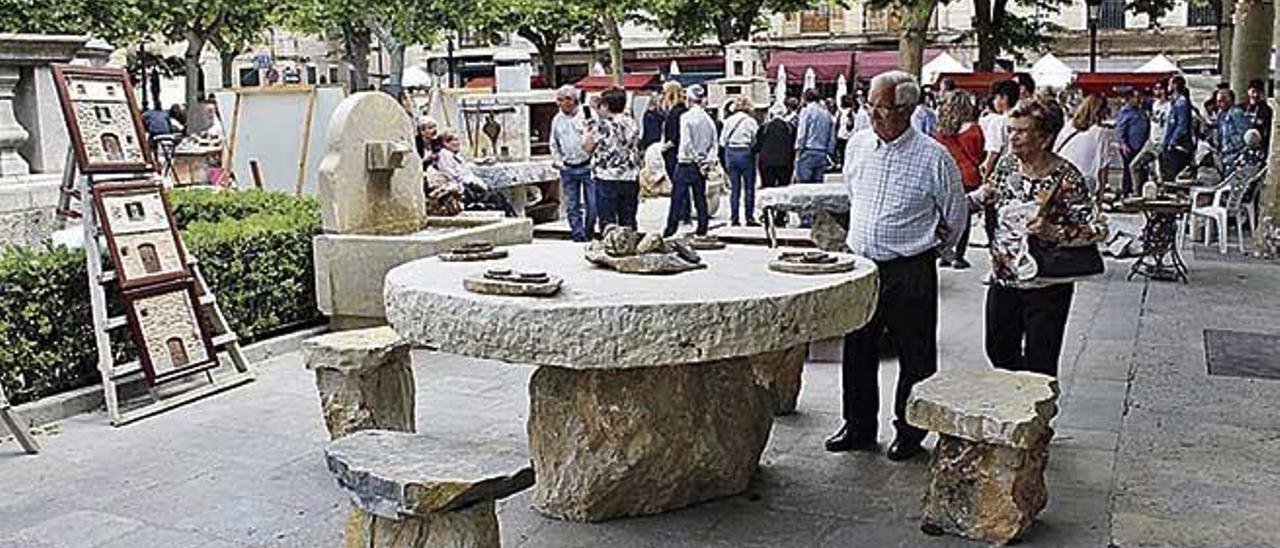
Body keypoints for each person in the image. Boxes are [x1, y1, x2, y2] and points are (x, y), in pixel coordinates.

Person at [826, 71, 967, 461]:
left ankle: (910, 431)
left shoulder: (933, 156)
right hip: (862, 265)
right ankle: (857, 426)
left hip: (910, 268)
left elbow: (955, 215)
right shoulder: (857, 146)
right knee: (857, 349)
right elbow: (853, 196)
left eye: (882, 108)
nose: (873, 114)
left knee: (915, 353)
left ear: (907, 110)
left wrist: (933, 251)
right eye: (870, 106)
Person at [968, 100, 1107, 376]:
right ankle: (1019, 402)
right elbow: (986, 195)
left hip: (1047, 284)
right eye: (1011, 130)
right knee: (998, 352)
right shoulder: (1007, 166)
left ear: (1044, 138)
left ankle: (1037, 413)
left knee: (1041, 362)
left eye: (1021, 131)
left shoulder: (1066, 176)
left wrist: (1054, 232)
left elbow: (1097, 228)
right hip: (1005, 278)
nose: (1013, 137)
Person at [935, 91, 985, 270]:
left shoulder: (941, 130)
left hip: (946, 176)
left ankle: (944, 253)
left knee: (944, 215)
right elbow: (978, 155)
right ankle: (959, 256)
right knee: (964, 218)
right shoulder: (973, 129)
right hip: (968, 175)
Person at [583, 87, 641, 229]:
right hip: (629, 175)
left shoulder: (601, 126)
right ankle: (628, 244)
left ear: (606, 105)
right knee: (628, 218)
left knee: (608, 220)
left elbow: (587, 147)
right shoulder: (632, 123)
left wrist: (587, 129)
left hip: (607, 176)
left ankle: (611, 245)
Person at [664, 84, 717, 237]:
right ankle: (702, 227)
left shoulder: (686, 118)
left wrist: (696, 159)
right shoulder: (708, 119)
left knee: (677, 197)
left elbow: (686, 143)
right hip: (702, 163)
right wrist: (707, 161)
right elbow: (714, 143)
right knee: (700, 196)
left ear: (689, 99)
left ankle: (670, 228)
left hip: (687, 162)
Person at [551, 85, 595, 242]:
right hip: (568, 167)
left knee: (593, 204)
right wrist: (558, 161)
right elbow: (554, 143)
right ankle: (578, 233)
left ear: (573, 100)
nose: (561, 104)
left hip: (588, 165)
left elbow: (597, 137)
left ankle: (589, 231)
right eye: (559, 100)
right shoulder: (557, 120)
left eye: (564, 100)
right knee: (571, 204)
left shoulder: (587, 115)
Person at [1054, 94, 1113, 193]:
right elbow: (1103, 167)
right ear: (1099, 111)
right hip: (1081, 183)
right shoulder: (1100, 133)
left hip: (1060, 179)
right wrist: (1101, 193)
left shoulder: (1068, 126)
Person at [720, 95, 760, 227]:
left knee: (735, 188)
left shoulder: (728, 120)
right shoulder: (751, 121)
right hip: (746, 153)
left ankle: (734, 217)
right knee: (749, 187)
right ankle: (749, 217)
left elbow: (722, 140)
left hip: (731, 153)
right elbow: (755, 139)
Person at [757, 103, 797, 227]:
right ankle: (781, 216)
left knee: (768, 189)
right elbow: (793, 146)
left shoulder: (764, 127)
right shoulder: (790, 128)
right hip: (785, 163)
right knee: (783, 190)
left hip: (767, 163)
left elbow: (757, 146)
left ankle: (768, 215)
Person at [660, 82, 692, 225]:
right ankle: (684, 212)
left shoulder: (675, 112)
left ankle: (682, 213)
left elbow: (675, 136)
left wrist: (664, 148)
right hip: (677, 151)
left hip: (673, 152)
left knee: (679, 185)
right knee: (682, 185)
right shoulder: (682, 110)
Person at [1131, 80, 1170, 188]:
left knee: (1162, 174)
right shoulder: (1154, 104)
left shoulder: (1170, 106)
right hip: (1152, 141)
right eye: (1155, 89)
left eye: (1159, 88)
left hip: (1162, 142)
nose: (1157, 91)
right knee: (1134, 165)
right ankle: (1137, 192)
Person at [793, 88, 836, 184]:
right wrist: (830, 150)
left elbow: (802, 131)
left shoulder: (806, 111)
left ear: (805, 98)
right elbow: (832, 135)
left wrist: (799, 148)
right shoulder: (826, 113)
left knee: (803, 185)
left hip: (808, 150)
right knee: (817, 186)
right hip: (822, 152)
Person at [1113, 89, 1150, 197]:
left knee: (1140, 169)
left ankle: (1139, 189)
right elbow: (1120, 129)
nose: (1138, 99)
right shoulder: (1126, 112)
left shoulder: (1140, 110)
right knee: (1129, 169)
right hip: (1130, 146)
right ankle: (1127, 190)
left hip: (1140, 144)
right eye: (1135, 97)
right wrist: (1123, 144)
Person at [1161, 76, 1195, 183]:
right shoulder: (1174, 102)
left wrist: (1172, 142)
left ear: (1175, 85)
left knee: (1174, 175)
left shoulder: (1181, 102)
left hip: (1179, 145)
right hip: (1171, 143)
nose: (1168, 87)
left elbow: (1182, 125)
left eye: (1170, 84)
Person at [1214, 88, 1249, 176]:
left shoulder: (1236, 114)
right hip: (1224, 155)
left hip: (1235, 155)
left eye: (1222, 101)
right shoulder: (1221, 115)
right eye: (1218, 101)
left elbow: (1243, 135)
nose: (1218, 104)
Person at [1244, 79, 1272, 146]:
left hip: (1259, 146)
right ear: (1248, 91)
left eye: (1258, 92)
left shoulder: (1266, 110)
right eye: (1253, 91)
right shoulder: (1242, 108)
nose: (1255, 95)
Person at [834, 94, 855, 170]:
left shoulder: (840, 112)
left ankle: (842, 165)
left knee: (842, 152)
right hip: (851, 135)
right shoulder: (853, 111)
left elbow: (836, 124)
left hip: (841, 135)